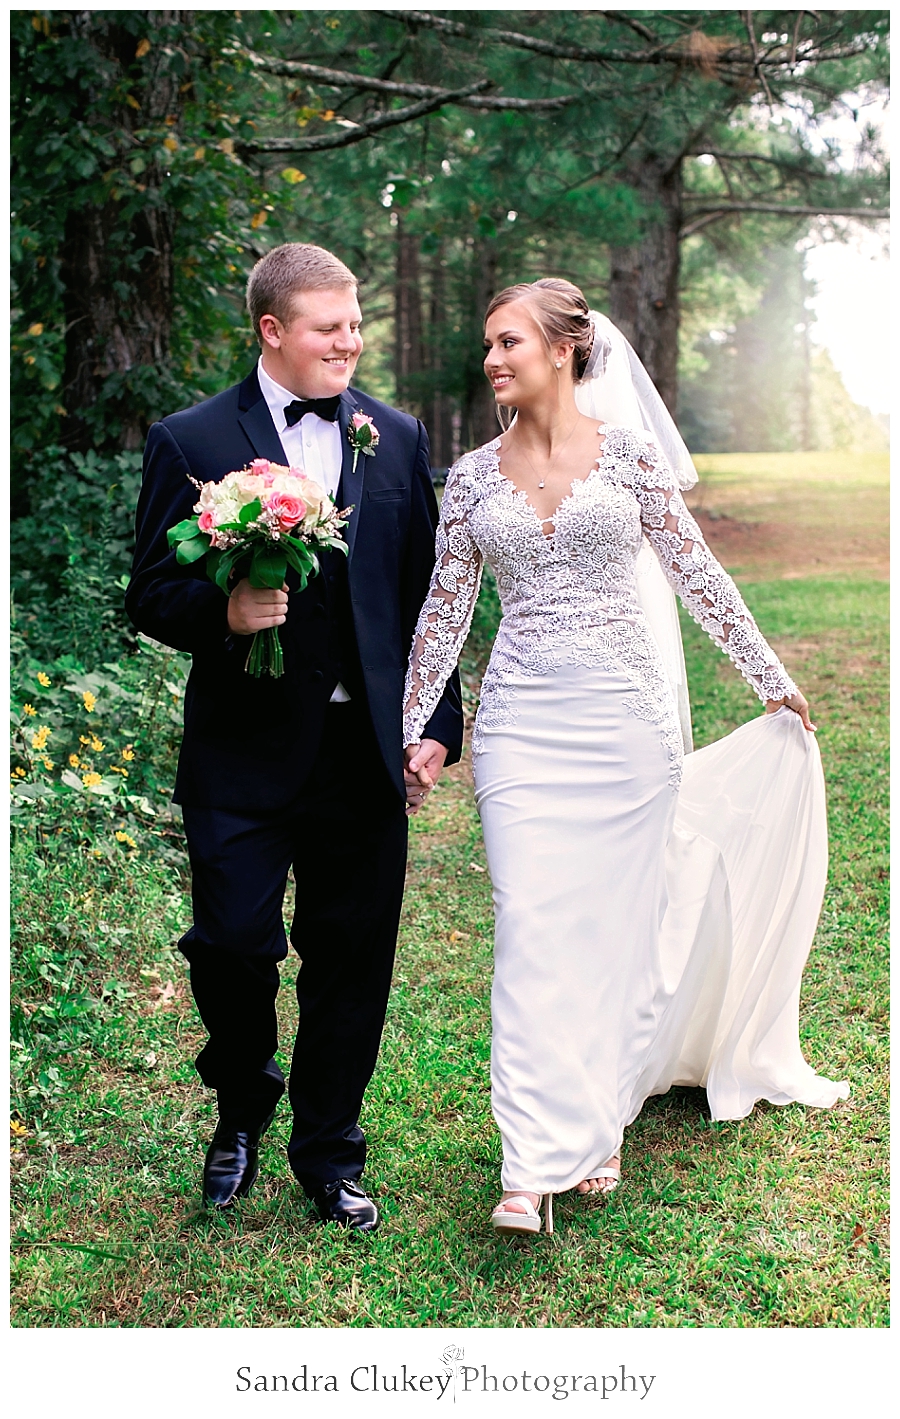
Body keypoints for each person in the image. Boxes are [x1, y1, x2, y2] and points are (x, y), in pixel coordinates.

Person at [403, 278, 848, 1235]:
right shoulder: (474, 475)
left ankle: (598, 1122)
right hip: (522, 723)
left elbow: (695, 569)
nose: (491, 360)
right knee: (531, 927)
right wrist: (414, 724)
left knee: (615, 930)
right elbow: (443, 609)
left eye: (508, 342)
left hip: (624, 724)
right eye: (488, 344)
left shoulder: (633, 458)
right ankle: (527, 1165)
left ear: (564, 350)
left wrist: (771, 675)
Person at [126, 242, 462, 1230]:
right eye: (329, 327)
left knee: (351, 960)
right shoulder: (189, 439)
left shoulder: (393, 438)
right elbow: (149, 590)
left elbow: (427, 599)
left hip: (364, 758)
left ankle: (328, 1155)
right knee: (230, 945)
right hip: (240, 751)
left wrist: (436, 724)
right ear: (272, 331)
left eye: (356, 324)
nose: (350, 341)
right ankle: (240, 1100)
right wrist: (223, 614)